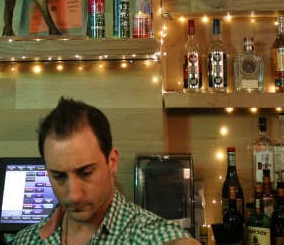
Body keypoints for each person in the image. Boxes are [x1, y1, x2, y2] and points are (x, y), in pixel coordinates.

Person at [13, 97, 199, 245]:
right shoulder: (26, 240)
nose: (74, 195)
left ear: (112, 162)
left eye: (85, 173)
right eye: (59, 176)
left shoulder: (147, 235)